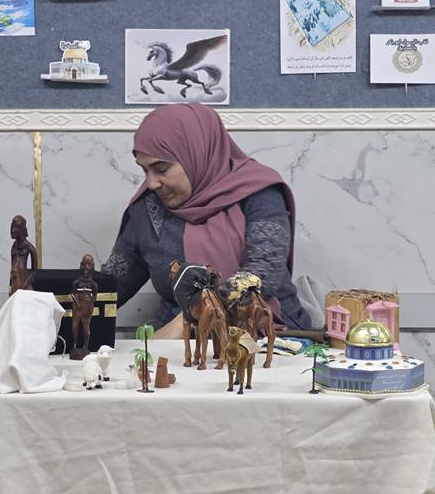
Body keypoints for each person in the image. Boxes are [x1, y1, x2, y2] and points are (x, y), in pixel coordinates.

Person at [102, 103, 312, 337]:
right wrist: (73, 303)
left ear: (196, 153)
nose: (151, 183)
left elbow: (261, 276)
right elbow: (114, 284)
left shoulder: (258, 193)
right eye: (145, 170)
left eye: (161, 168)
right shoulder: (149, 209)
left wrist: (190, 315)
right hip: (179, 346)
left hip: (271, 336)